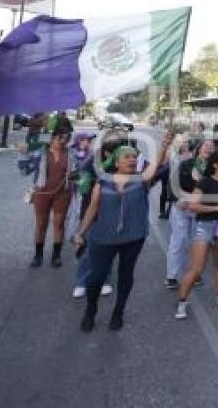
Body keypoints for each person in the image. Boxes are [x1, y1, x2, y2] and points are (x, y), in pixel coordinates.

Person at [73, 132, 173, 332]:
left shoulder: (141, 180)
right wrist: (80, 233)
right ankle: (90, 310)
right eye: (127, 157)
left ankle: (118, 312)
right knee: (97, 276)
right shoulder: (102, 183)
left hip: (133, 237)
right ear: (116, 161)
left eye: (134, 157)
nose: (132, 159)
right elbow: (92, 210)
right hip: (103, 237)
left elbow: (155, 166)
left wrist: (164, 146)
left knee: (125, 274)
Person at [175, 149, 218, 320]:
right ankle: (182, 302)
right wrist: (215, 208)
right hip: (204, 226)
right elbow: (192, 206)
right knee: (197, 269)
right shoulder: (205, 182)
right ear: (215, 164)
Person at [165, 139, 214, 289]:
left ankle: (195, 274)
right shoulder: (186, 164)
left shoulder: (214, 170)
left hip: (200, 211)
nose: (209, 149)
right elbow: (172, 184)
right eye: (206, 146)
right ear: (199, 148)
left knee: (198, 244)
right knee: (178, 241)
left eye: (212, 147)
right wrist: (178, 199)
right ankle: (172, 276)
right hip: (182, 208)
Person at [70, 132, 114, 299]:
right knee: (87, 248)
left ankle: (105, 280)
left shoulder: (120, 162)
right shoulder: (92, 161)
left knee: (107, 249)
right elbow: (81, 182)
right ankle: (81, 281)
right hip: (90, 210)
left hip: (111, 212)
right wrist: (82, 181)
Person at [26, 132, 77, 267]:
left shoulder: (72, 154)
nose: (61, 141)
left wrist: (74, 175)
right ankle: (38, 256)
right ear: (52, 139)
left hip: (63, 193)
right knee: (41, 224)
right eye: (59, 138)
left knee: (59, 224)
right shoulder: (40, 153)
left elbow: (78, 173)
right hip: (42, 193)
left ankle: (56, 256)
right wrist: (23, 154)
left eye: (65, 139)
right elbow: (24, 169)